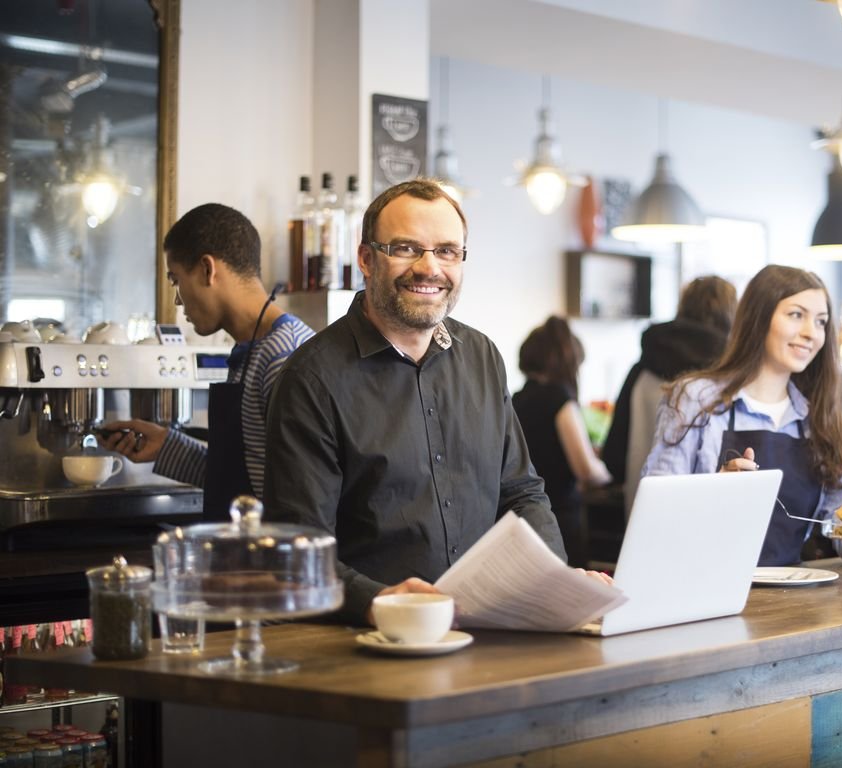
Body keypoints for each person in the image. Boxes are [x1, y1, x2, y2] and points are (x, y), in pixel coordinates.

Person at [262, 180, 603, 626]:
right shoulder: (313, 377)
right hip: (369, 645)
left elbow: (520, 492)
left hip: (490, 633)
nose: (429, 268)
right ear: (366, 259)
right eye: (406, 248)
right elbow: (297, 548)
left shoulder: (482, 356)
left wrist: (561, 584)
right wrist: (378, 600)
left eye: (446, 251)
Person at [641, 265, 842, 566]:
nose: (810, 333)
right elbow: (652, 518)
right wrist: (713, 493)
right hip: (700, 593)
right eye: (796, 315)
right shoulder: (696, 399)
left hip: (787, 602)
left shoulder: (817, 422)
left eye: (821, 321)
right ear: (758, 319)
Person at [100, 203, 314, 519]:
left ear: (206, 269)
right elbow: (246, 477)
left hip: (273, 561)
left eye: (175, 280)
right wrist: (167, 447)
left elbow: (302, 498)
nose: (177, 299)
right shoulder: (252, 350)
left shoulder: (284, 357)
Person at [603, 275, 737, 513]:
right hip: (709, 510)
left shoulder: (642, 370)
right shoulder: (730, 378)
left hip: (642, 508)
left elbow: (614, 456)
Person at [512, 316, 612, 567]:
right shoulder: (559, 399)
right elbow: (586, 470)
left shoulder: (516, 399)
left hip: (521, 522)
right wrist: (609, 473)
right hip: (558, 521)